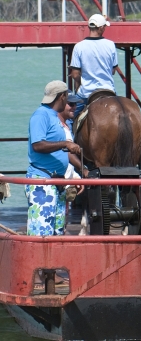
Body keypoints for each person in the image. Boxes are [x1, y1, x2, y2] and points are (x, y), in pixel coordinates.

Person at [26, 80, 82, 236]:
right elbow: (37, 145)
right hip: (42, 182)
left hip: (56, 182)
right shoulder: (41, 115)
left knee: (57, 230)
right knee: (41, 231)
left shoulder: (53, 116)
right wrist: (65, 143)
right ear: (63, 96)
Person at [69, 14, 118, 117]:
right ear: (100, 28)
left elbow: (75, 75)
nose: (105, 28)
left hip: (86, 94)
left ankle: (69, 133)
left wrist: (80, 83)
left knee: (69, 118)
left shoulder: (79, 47)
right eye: (104, 26)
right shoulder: (110, 45)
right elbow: (113, 71)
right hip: (109, 91)